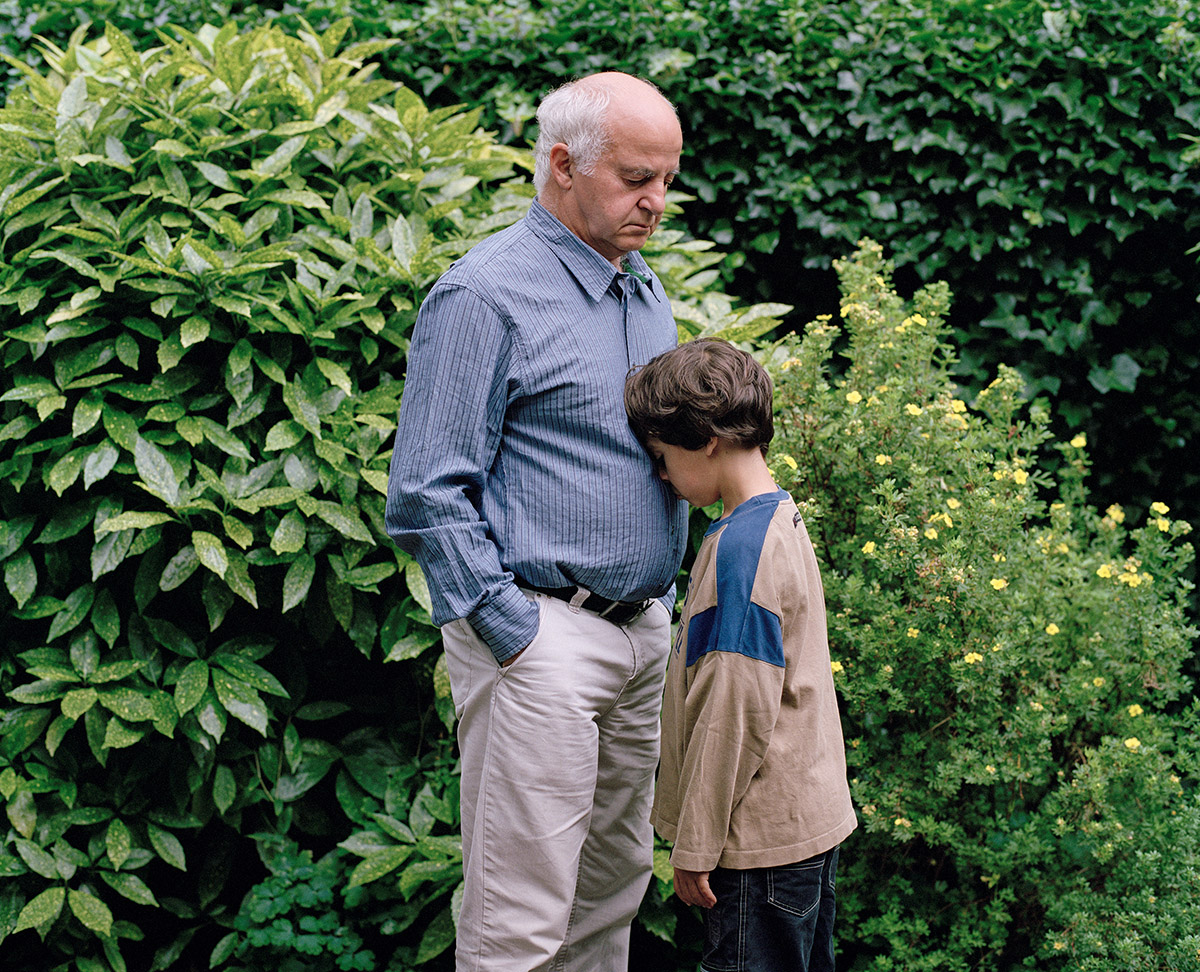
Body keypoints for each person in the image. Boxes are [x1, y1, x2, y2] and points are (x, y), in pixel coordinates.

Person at [385, 72, 688, 972]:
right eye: (636, 178)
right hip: (541, 639)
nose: (656, 201)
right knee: (517, 927)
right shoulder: (485, 295)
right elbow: (425, 491)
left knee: (610, 898)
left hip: (641, 635)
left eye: (667, 180)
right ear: (563, 164)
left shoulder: (641, 288)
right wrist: (513, 633)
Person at [624, 339, 858, 972]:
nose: (662, 476)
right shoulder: (779, 518)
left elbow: (734, 711)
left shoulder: (740, 552)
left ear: (705, 440)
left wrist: (695, 844)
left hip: (759, 845)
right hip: (801, 827)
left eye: (663, 457)